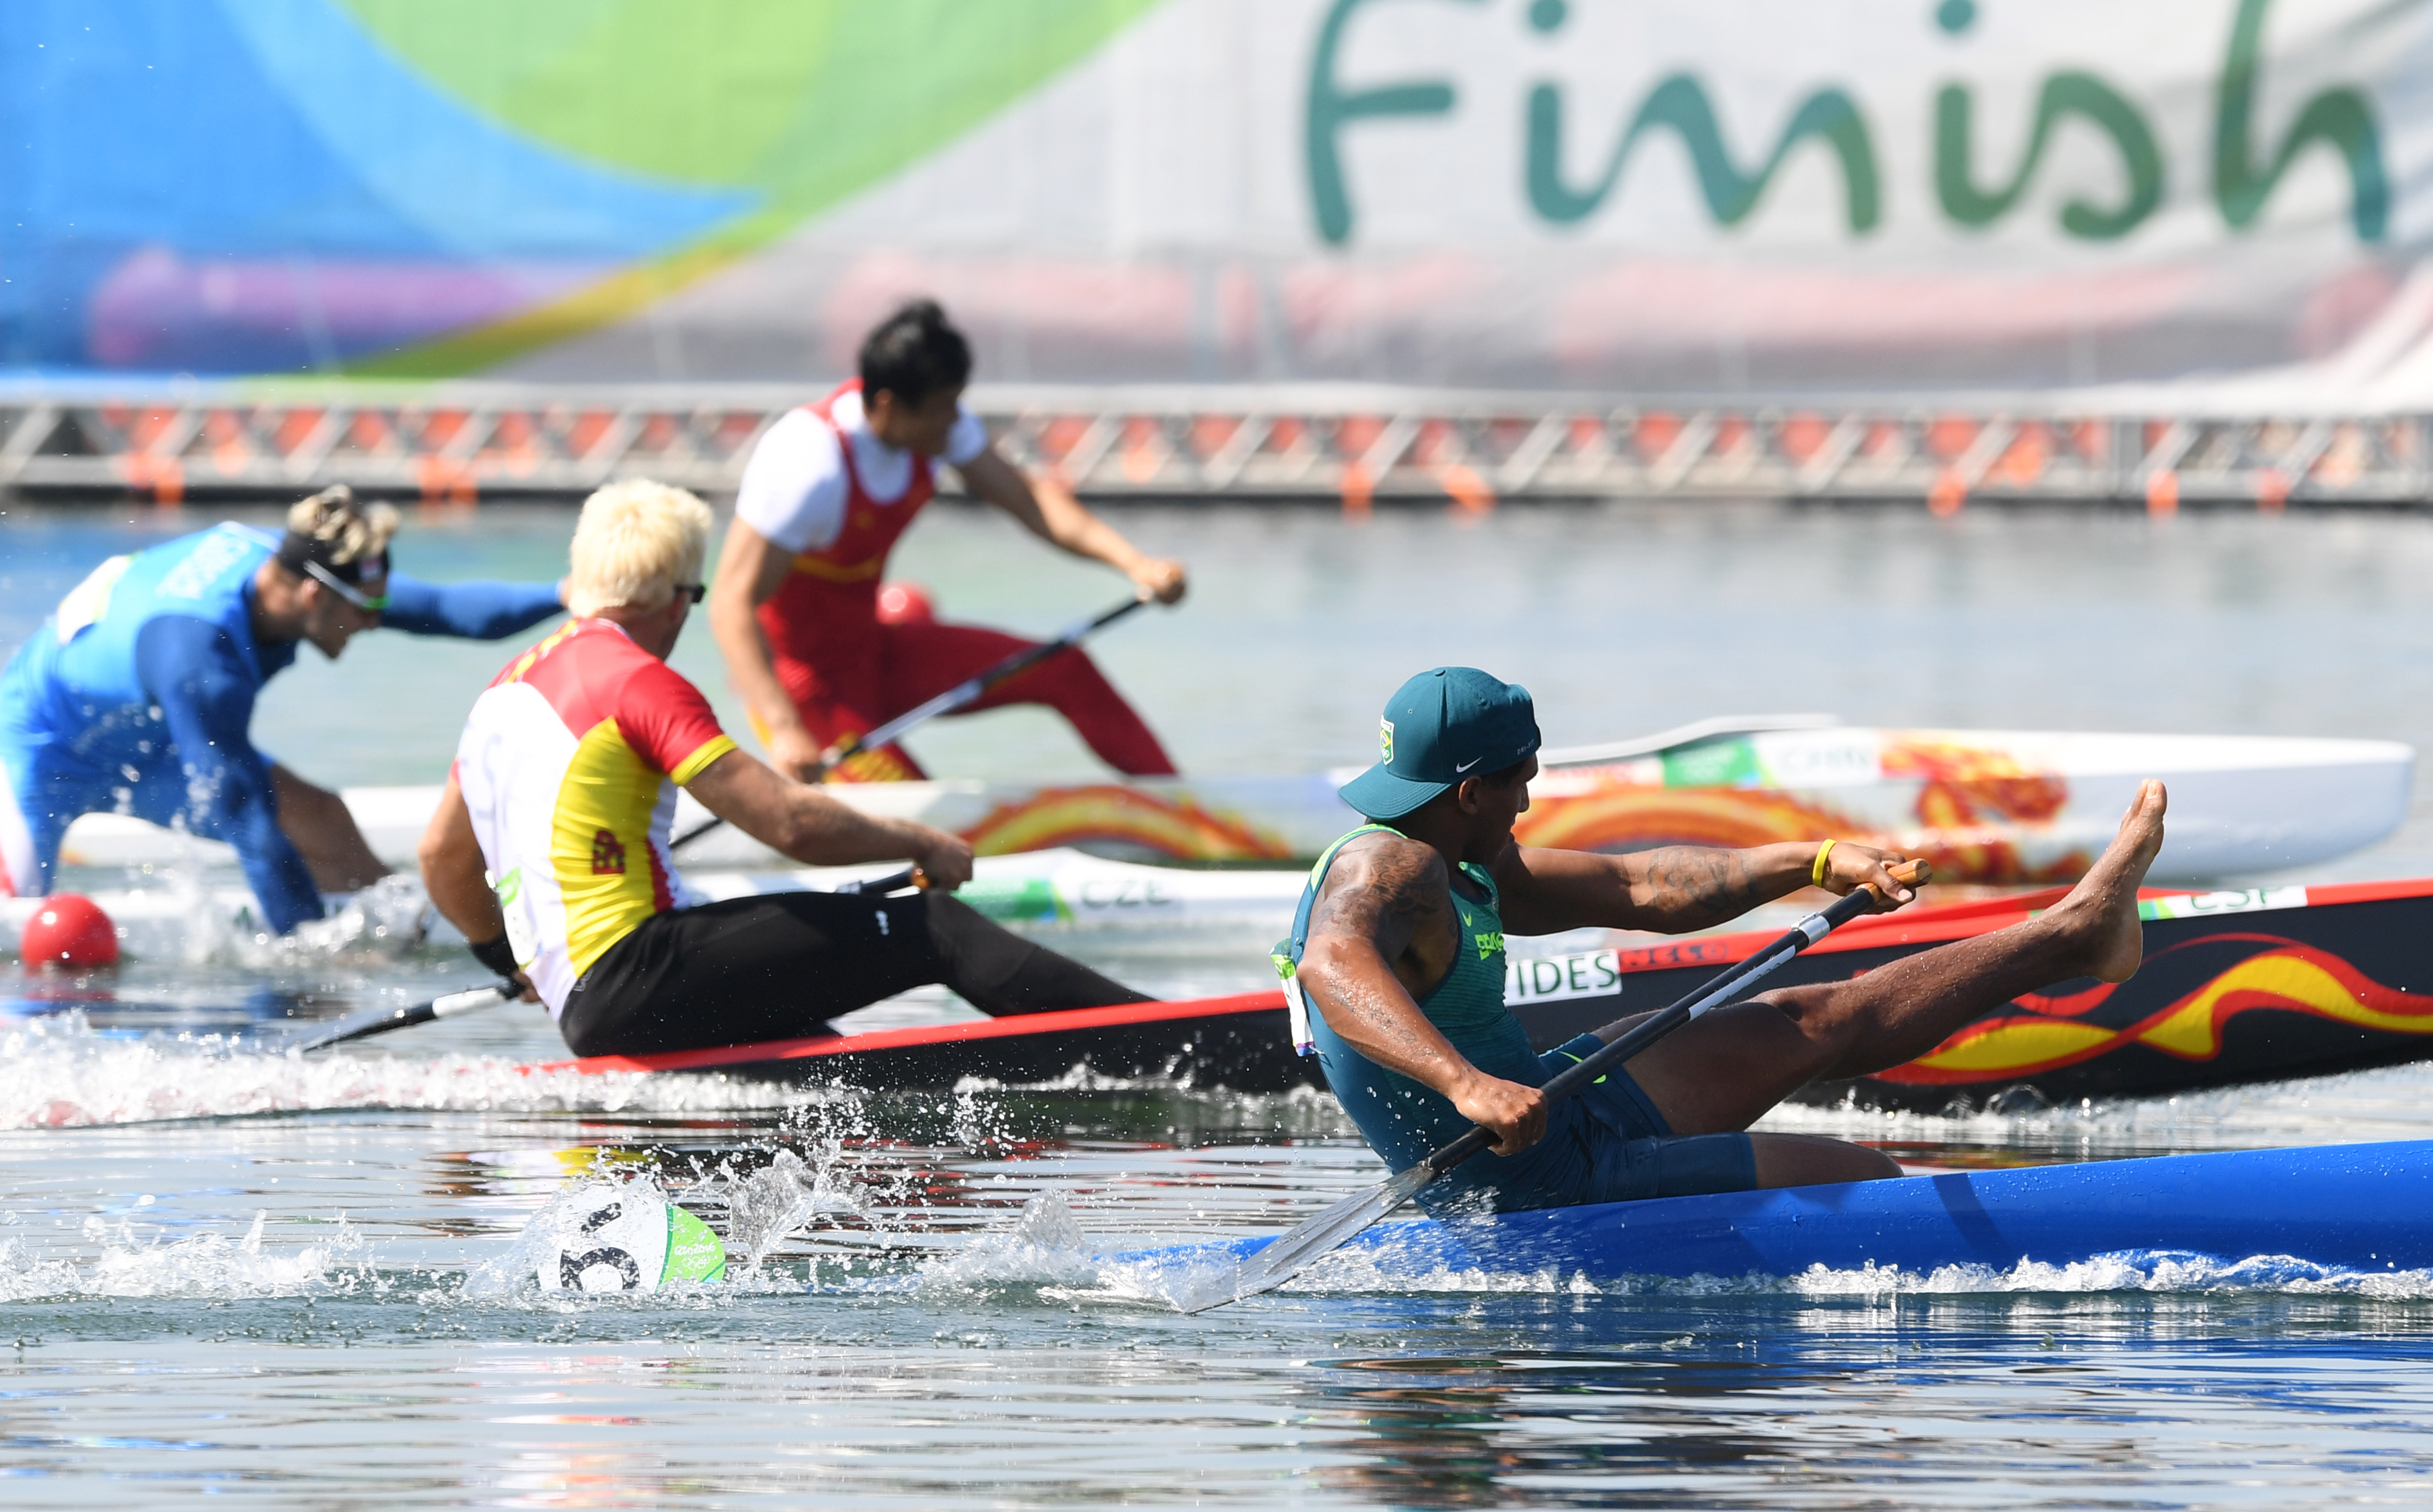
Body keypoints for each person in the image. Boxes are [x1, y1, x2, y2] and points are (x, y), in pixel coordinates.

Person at [1284, 666, 2167, 1216]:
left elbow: (1636, 887)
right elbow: (1332, 963)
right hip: (1525, 1179)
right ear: (1470, 791)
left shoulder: (1460, 860)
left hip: (1558, 1104)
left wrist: (1813, 860)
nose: (1525, 801)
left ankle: (2074, 934)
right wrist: (1467, 1085)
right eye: (1519, 782)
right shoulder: (1392, 868)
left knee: (1814, 1019)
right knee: (1865, 1181)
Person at [418, 479, 1152, 1057]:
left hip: (587, 1005)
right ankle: (1161, 1038)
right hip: (641, 969)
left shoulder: (501, 693)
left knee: (824, 1052)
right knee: (933, 925)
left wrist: (508, 960)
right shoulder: (636, 681)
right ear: (674, 598)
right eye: (695, 597)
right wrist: (921, 844)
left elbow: (441, 856)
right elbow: (790, 823)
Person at [0, 486, 566, 934]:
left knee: (322, 821)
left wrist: (568, 594)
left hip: (153, 743)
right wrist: (303, 967)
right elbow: (250, 829)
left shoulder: (300, 567)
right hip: (39, 749)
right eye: (363, 612)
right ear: (314, 595)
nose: (373, 623)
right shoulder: (200, 659)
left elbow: (443, 608)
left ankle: (416, 938)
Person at [709, 299, 1186, 782]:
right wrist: (784, 727)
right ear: (888, 404)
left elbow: (1028, 501)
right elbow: (730, 603)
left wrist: (1136, 564)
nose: (955, 421)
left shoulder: (933, 426)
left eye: (955, 403)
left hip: (874, 653)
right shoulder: (809, 462)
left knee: (1066, 669)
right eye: (941, 410)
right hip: (805, 689)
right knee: (919, 825)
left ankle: (1190, 808)